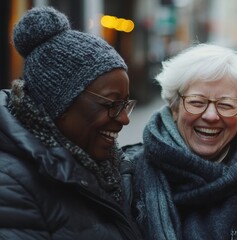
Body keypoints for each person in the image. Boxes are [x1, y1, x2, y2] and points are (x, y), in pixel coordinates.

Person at [0, 6, 141, 239]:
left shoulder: (104, 168)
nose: (125, 119)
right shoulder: (11, 188)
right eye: (111, 104)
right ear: (58, 104)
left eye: (125, 104)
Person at [124, 43, 237, 240]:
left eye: (225, 105)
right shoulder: (127, 173)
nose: (211, 116)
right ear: (174, 108)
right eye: (197, 102)